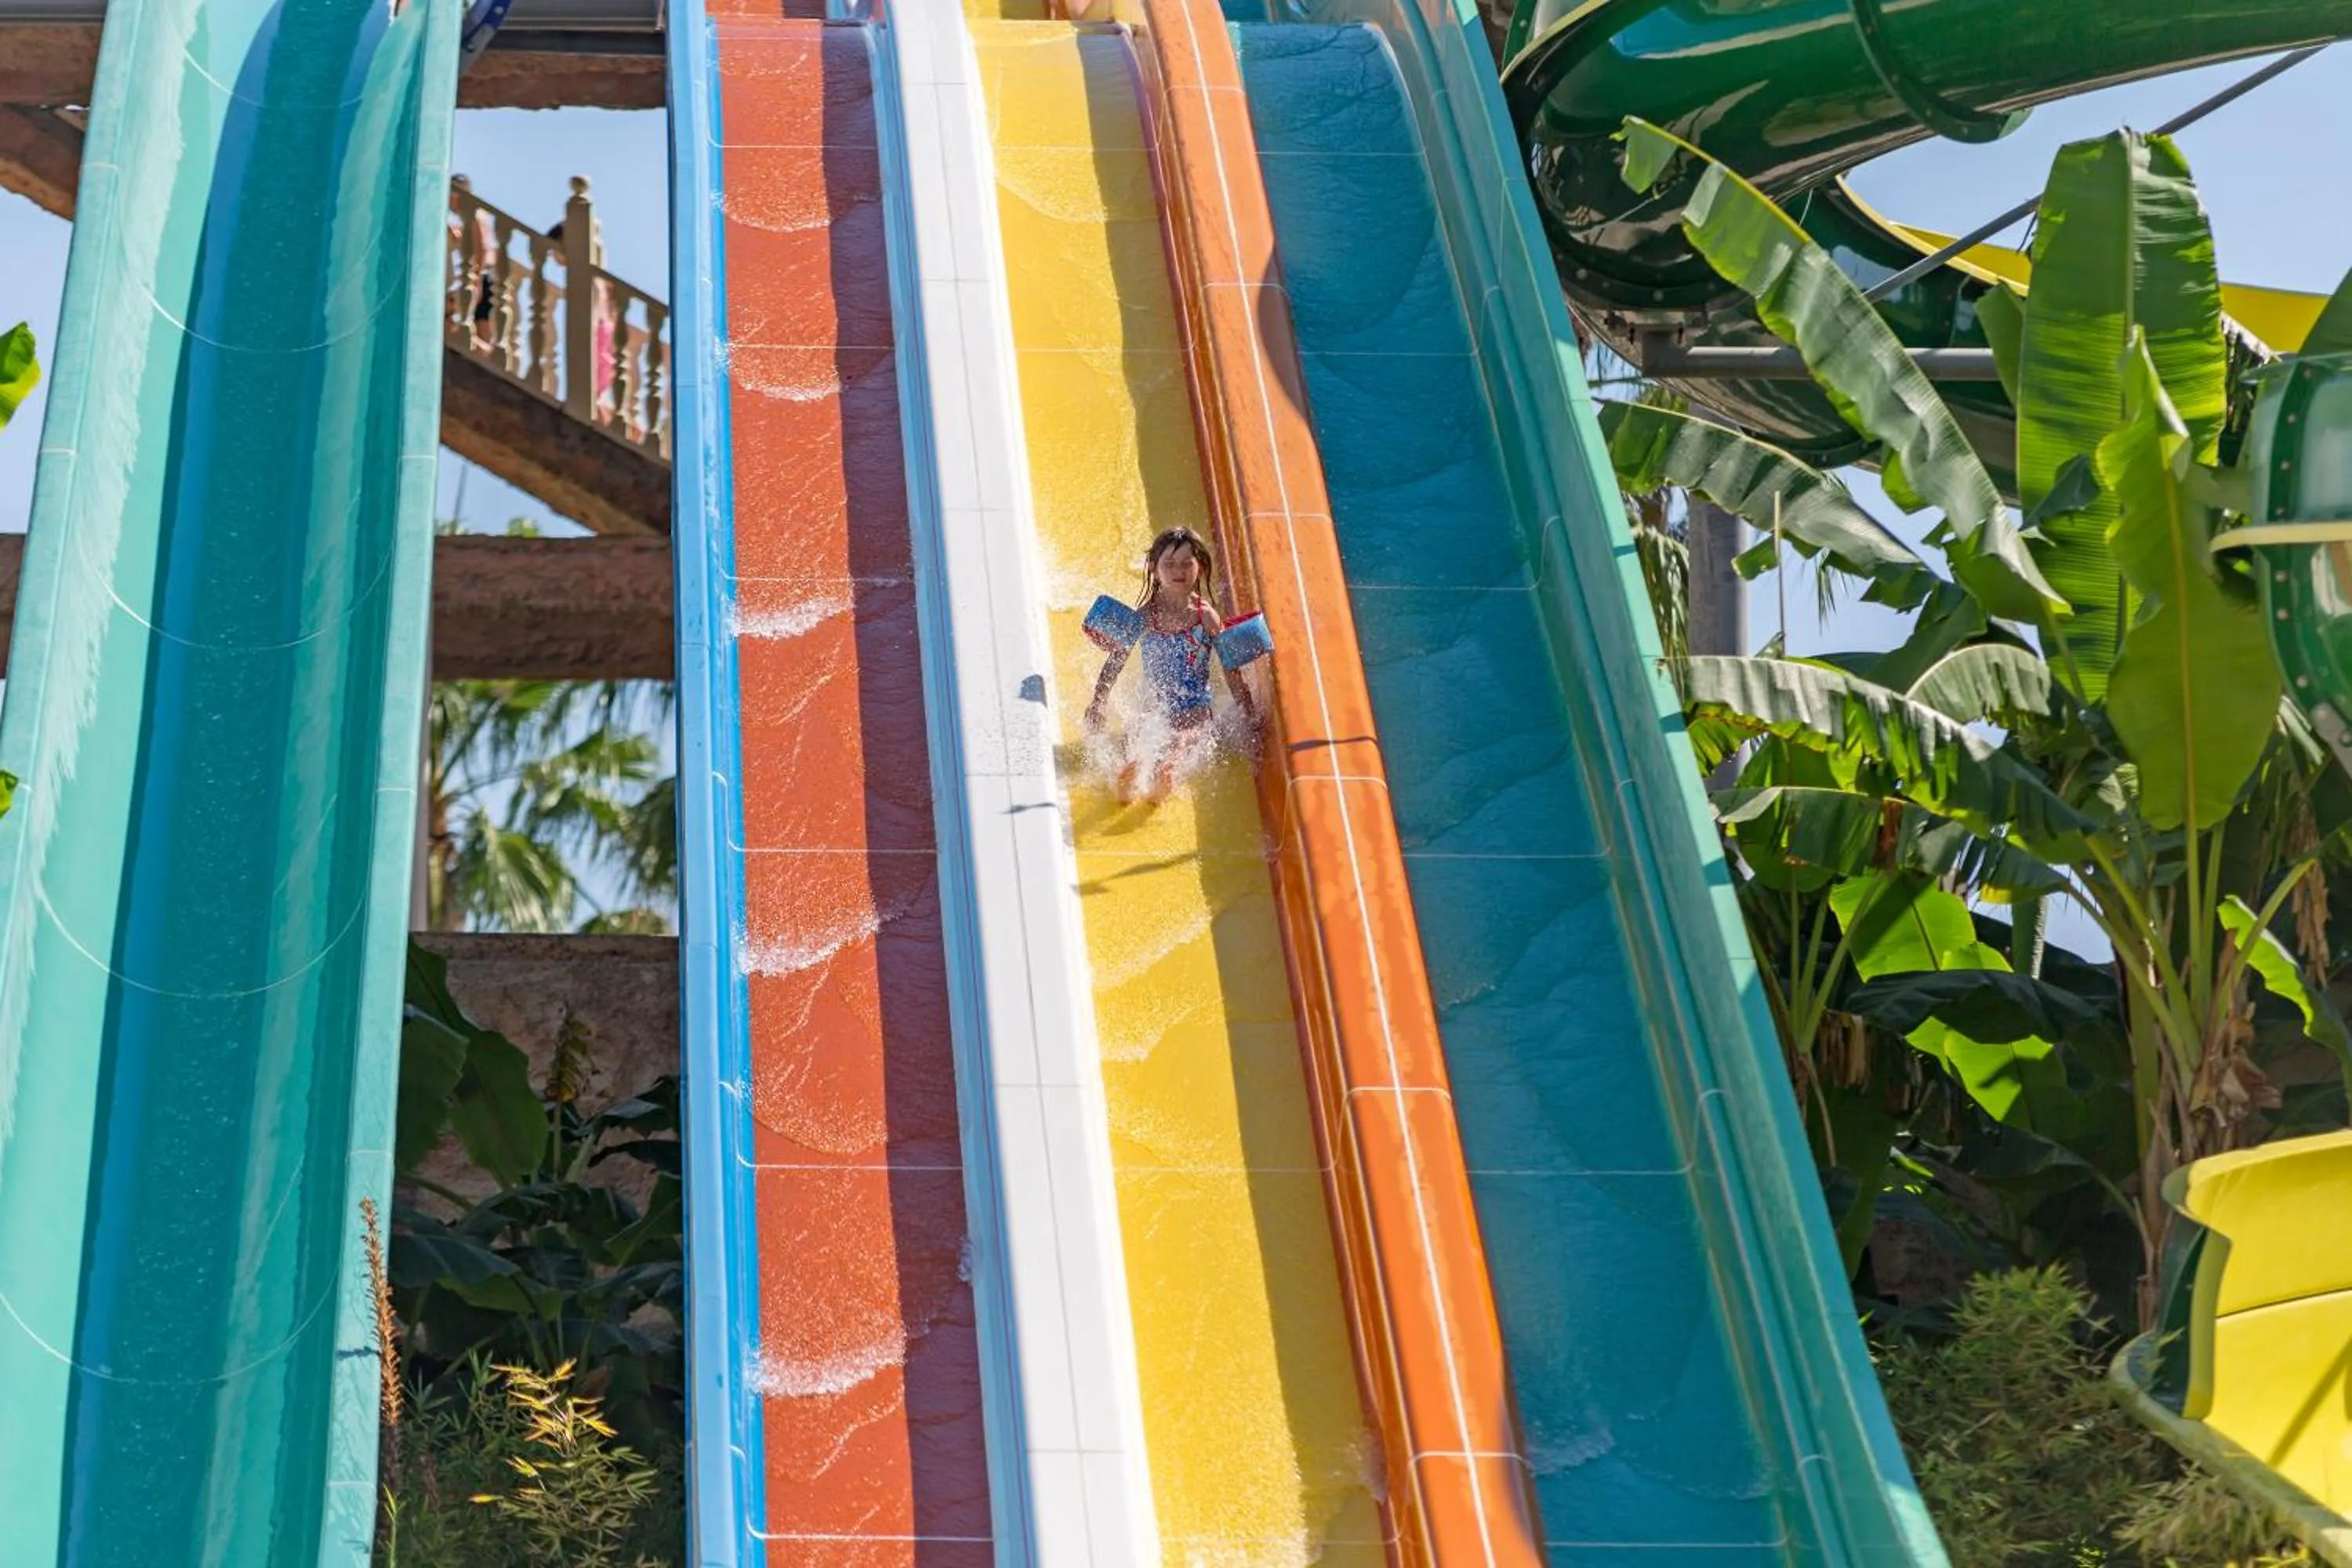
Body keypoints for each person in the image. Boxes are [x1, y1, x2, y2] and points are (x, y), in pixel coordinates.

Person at [1082, 527, 1271, 804]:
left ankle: (1166, 774)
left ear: (1201, 568)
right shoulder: (1147, 615)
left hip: (1195, 704)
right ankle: (1133, 772)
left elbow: (1230, 667)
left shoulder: (1206, 617)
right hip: (1156, 702)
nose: (1178, 571)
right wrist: (1099, 701)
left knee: (1184, 738)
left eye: (1186, 563)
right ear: (1154, 569)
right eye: (1169, 564)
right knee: (1143, 732)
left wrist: (1248, 711)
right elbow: (1117, 659)